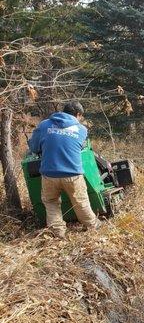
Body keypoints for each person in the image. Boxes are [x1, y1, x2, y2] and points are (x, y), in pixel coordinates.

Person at [29, 101, 99, 237]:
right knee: (80, 201)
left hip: (49, 174)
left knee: (51, 202)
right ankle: (92, 226)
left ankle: (58, 232)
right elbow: (81, 147)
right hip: (73, 173)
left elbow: (34, 147)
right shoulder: (82, 130)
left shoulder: (44, 125)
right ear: (78, 114)